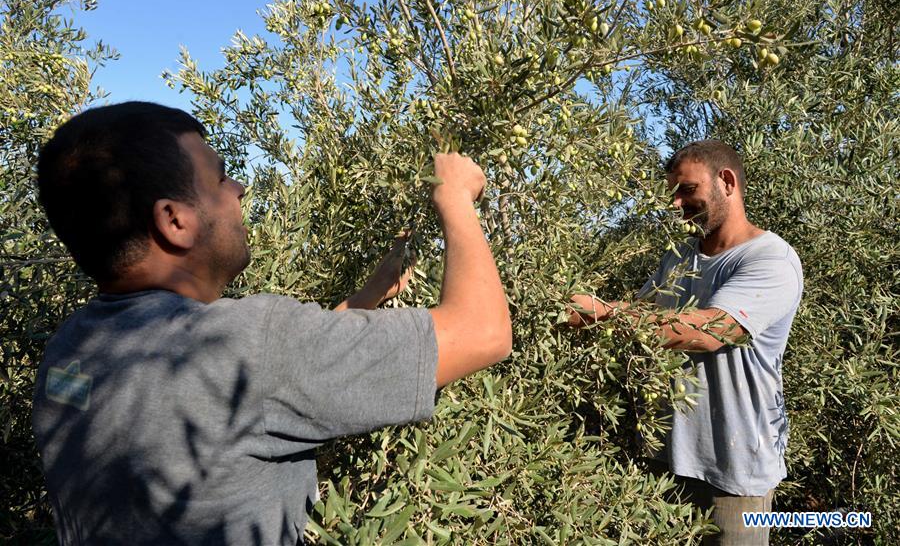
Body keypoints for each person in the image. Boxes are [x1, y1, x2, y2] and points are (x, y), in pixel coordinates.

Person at [32, 101, 512, 545]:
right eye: (220, 180)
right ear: (174, 221)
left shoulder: (69, 350)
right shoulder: (243, 345)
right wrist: (455, 199)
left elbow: (275, 388)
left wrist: (368, 295)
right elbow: (483, 333)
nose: (238, 189)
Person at [568, 140, 803, 545]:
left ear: (726, 182)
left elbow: (709, 331)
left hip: (733, 473)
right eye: (673, 194)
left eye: (687, 190)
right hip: (666, 461)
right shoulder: (679, 256)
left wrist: (603, 312)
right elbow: (643, 312)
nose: (676, 203)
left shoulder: (770, 259)